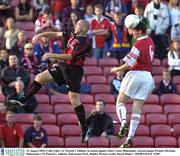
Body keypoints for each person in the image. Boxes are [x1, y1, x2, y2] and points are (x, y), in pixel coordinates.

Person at [18, 20, 91, 143]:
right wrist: (41, 35)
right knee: (40, 77)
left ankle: (85, 128)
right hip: (63, 66)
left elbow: (71, 57)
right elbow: (56, 34)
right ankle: (23, 99)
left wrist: (52, 55)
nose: (75, 26)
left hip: (74, 71)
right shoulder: (73, 34)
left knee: (74, 100)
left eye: (77, 24)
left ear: (84, 28)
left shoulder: (85, 42)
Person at [111, 14, 155, 148]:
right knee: (137, 109)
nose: (130, 32)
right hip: (148, 77)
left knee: (120, 102)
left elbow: (130, 63)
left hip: (135, 74)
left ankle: (123, 122)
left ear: (139, 30)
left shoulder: (138, 43)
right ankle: (129, 138)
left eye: (132, 29)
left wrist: (117, 69)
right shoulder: (150, 41)